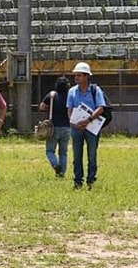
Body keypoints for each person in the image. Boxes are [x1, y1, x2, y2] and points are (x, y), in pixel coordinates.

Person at [66, 61, 107, 190]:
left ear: (86, 76)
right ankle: (77, 181)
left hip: (92, 127)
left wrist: (88, 120)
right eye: (75, 75)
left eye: (79, 75)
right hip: (76, 128)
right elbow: (70, 109)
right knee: (76, 155)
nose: (76, 78)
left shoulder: (95, 90)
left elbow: (101, 107)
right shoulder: (72, 91)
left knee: (91, 155)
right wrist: (73, 122)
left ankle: (91, 180)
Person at [38, 76, 72, 178]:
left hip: (53, 128)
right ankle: (62, 173)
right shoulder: (70, 95)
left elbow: (41, 106)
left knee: (50, 151)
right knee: (63, 152)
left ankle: (55, 165)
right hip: (67, 127)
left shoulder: (52, 95)